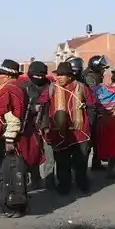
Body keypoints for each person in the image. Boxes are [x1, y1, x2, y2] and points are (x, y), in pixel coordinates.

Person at [0, 59, 43, 216]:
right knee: (18, 174)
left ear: (7, 75)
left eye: (1, 74)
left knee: (8, 176)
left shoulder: (8, 90)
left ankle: (12, 208)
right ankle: (20, 206)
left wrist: (9, 139)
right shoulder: (20, 88)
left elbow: (12, 118)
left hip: (10, 140)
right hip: (21, 138)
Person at [38, 61, 96, 194]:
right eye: (58, 75)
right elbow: (42, 104)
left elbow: (92, 105)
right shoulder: (51, 88)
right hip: (59, 132)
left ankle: (82, 184)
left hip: (80, 131)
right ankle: (64, 186)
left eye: (62, 75)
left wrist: (90, 123)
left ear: (70, 76)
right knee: (62, 162)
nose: (59, 77)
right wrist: (45, 124)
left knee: (80, 161)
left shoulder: (81, 87)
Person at [21, 61, 54, 190]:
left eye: (42, 75)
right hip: (30, 127)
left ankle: (49, 182)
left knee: (50, 156)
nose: (39, 78)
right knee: (32, 155)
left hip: (48, 126)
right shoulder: (25, 87)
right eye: (36, 75)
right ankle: (35, 180)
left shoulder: (51, 87)